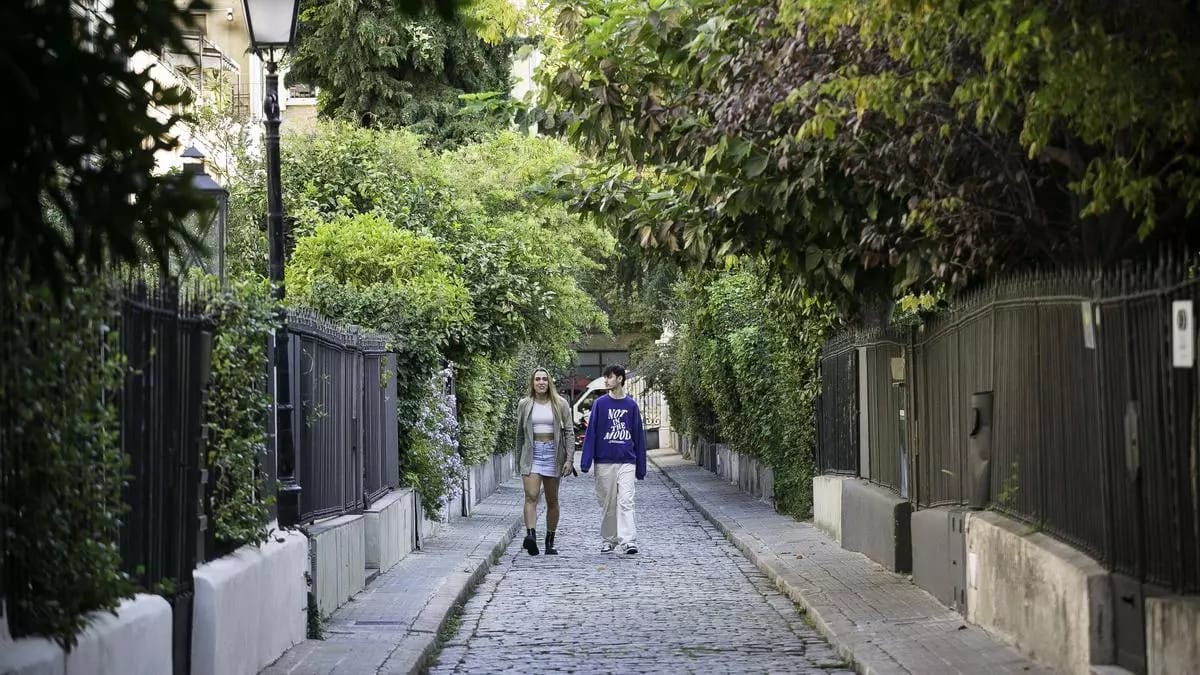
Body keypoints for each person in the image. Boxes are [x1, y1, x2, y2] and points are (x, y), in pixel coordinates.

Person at [579, 364, 647, 554]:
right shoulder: (600, 404)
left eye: (609, 377)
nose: (606, 381)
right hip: (604, 461)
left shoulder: (631, 406)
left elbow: (638, 437)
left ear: (619, 379)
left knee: (626, 500)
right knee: (608, 503)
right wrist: (586, 461)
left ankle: (628, 540)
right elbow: (591, 433)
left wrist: (641, 467)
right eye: (605, 377)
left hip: (626, 460)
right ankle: (609, 539)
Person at [514, 368, 575, 555]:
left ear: (549, 383)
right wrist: (519, 461)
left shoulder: (560, 404)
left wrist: (569, 459)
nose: (541, 382)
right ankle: (531, 536)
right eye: (537, 379)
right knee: (531, 496)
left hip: (553, 453)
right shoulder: (525, 404)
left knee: (552, 499)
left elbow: (569, 432)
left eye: (544, 379)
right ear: (532, 383)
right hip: (531, 453)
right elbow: (519, 435)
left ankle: (550, 540)